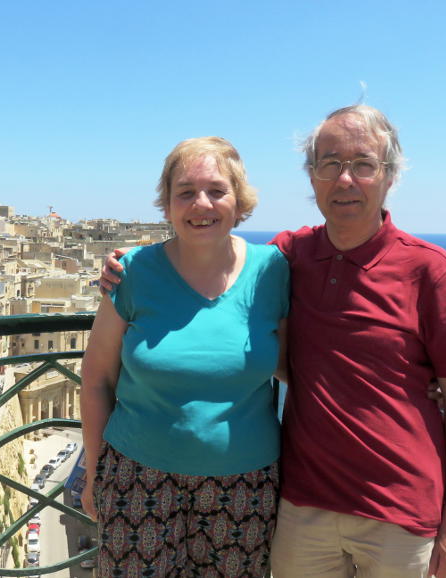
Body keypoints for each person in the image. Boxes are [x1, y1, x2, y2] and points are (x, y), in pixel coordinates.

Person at [101, 106, 446, 578]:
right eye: (330, 163)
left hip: (399, 511)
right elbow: (243, 310)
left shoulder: (434, 272)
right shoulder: (287, 258)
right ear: (312, 176)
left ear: (389, 176)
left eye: (363, 164)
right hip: (303, 504)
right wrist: (124, 262)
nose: (345, 179)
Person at [81, 136, 290, 577]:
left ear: (239, 200)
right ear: (168, 203)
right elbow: (97, 377)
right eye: (186, 192)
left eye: (217, 190)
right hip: (136, 480)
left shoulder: (273, 271)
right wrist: (94, 472)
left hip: (246, 487)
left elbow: (300, 365)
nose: (202, 204)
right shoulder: (132, 271)